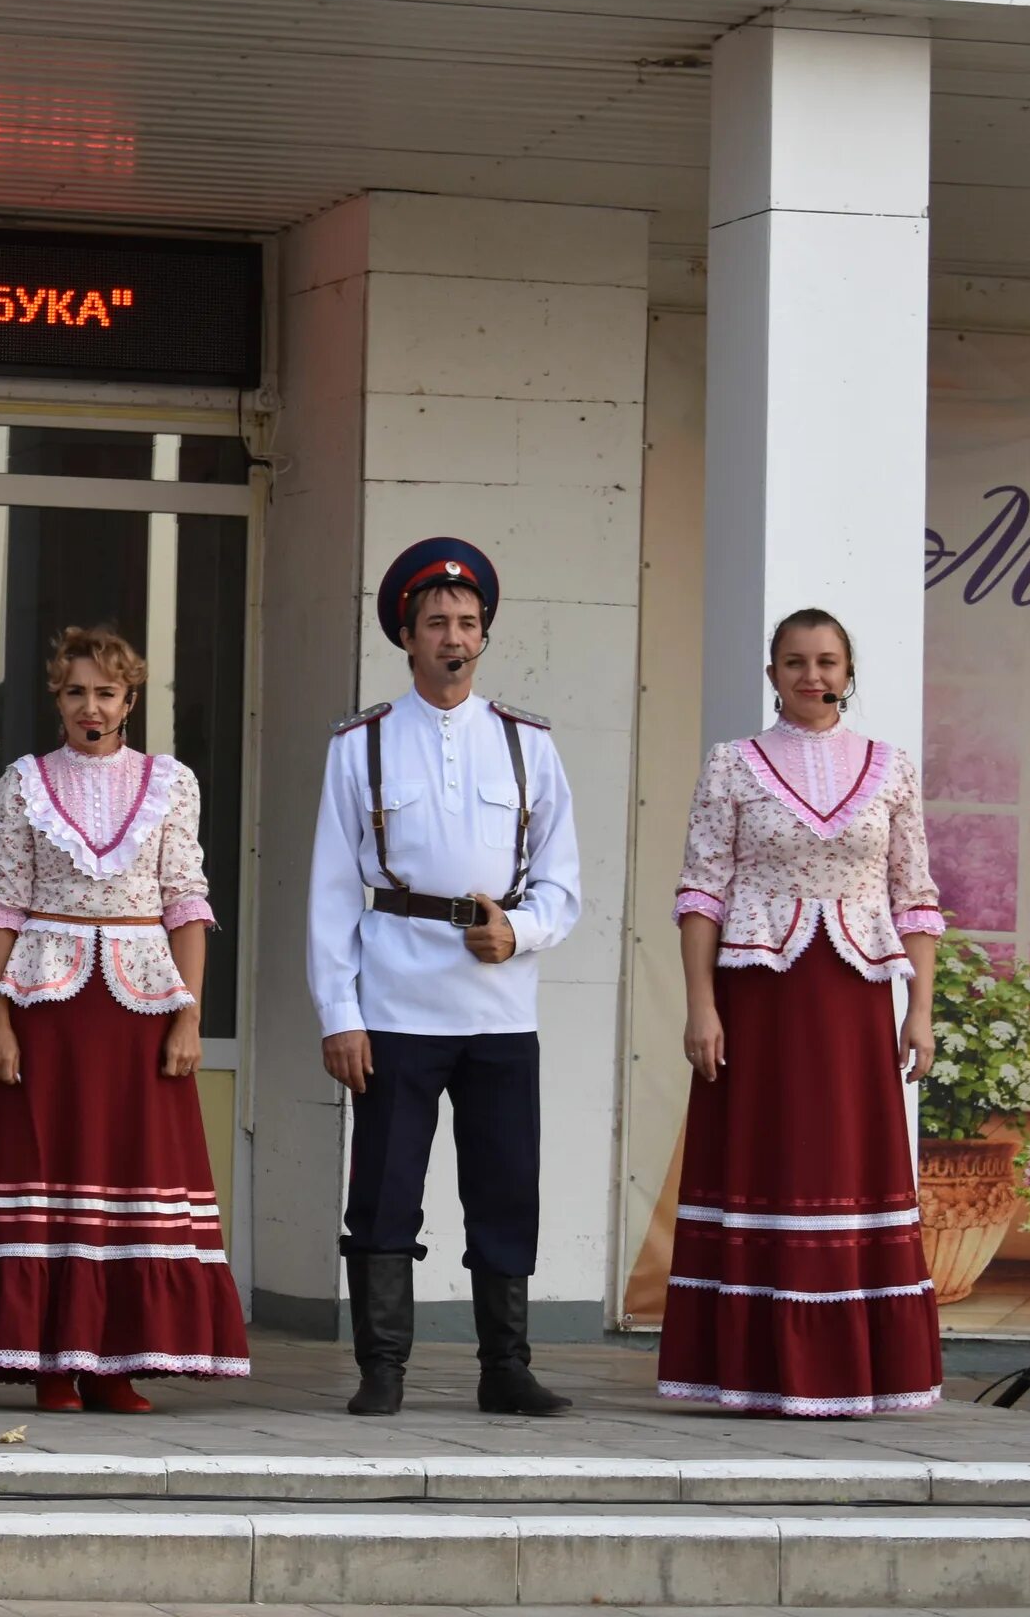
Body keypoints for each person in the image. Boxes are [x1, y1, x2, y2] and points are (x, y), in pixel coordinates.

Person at [0, 625, 250, 1411]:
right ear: (55, 698)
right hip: (46, 1004)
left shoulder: (171, 782)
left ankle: (116, 1361)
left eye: (105, 692)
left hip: (139, 1006)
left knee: (131, 1172)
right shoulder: (24, 781)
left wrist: (188, 1019)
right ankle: (52, 1362)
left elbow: (186, 902)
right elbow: (1, 905)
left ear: (130, 699)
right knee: (47, 1172)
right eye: (74, 692)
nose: (90, 707)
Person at [308, 538, 582, 1419]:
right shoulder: (362, 745)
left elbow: (563, 884)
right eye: (436, 624)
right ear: (407, 634)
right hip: (394, 999)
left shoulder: (528, 746)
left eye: (467, 623)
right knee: (385, 1192)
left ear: (485, 634)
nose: (453, 639)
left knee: (505, 1189)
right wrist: (338, 1012)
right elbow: (327, 891)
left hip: (499, 1006)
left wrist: (522, 930)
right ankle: (381, 1368)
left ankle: (506, 1367)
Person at [656, 608, 946, 1418]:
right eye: (794, 662)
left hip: (854, 999)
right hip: (759, 997)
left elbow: (914, 897)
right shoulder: (732, 765)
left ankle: (861, 1370)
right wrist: (701, 1007)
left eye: (825, 661)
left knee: (847, 1163)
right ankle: (752, 1369)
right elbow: (700, 891)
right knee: (767, 1158)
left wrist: (917, 1011)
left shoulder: (891, 767)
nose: (811, 676)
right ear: (772, 672)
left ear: (849, 670)